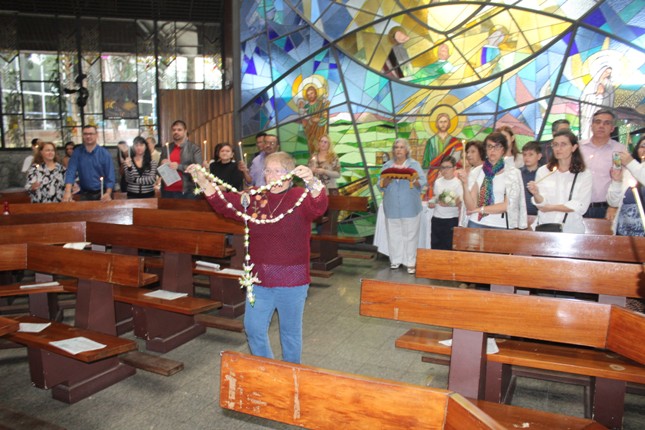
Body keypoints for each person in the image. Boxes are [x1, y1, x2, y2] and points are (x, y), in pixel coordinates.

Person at [189, 152, 328, 364]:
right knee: (253, 329)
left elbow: (319, 206)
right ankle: (267, 370)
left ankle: (291, 373)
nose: (271, 176)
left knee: (290, 333)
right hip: (259, 279)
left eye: (277, 171)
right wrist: (202, 181)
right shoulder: (255, 198)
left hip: (292, 279)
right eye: (267, 170)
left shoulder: (299, 196)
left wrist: (311, 180)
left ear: (290, 174)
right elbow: (225, 203)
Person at [527, 131, 592, 234]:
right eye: (555, 145)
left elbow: (580, 206)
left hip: (571, 229)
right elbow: (541, 204)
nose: (558, 148)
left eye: (563, 144)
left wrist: (550, 207)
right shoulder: (543, 171)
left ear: (574, 147)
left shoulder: (584, 174)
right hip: (545, 227)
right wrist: (536, 194)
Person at [459, 132, 527, 229]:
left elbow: (507, 205)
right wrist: (465, 184)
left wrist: (480, 209)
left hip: (499, 225)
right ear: (485, 149)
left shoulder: (512, 173)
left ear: (503, 150)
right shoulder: (477, 171)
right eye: (489, 146)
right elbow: (471, 207)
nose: (493, 150)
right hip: (476, 222)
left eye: (497, 146)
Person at [378, 138, 427, 274]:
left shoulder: (414, 164)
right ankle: (395, 260)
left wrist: (414, 180)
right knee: (394, 235)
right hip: (392, 205)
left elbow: (423, 182)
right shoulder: (387, 165)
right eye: (396, 147)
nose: (398, 150)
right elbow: (380, 185)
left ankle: (410, 262)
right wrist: (387, 180)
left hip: (410, 206)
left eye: (401, 147)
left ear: (406, 150)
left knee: (410, 235)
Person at [579, 109, 626, 218]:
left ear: (612, 128)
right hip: (578, 206)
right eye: (598, 122)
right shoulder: (578, 148)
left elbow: (624, 180)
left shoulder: (620, 150)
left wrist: (614, 206)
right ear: (591, 126)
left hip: (606, 209)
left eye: (606, 123)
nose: (601, 126)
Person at [62, 125, 115, 202]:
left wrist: (108, 193)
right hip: (85, 193)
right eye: (85, 134)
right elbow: (71, 172)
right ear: (82, 136)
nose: (88, 136)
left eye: (91, 134)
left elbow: (110, 176)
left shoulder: (104, 153)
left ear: (96, 135)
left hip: (102, 193)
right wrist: (67, 191)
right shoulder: (77, 153)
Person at [607, 135, 645, 236]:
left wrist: (630, 163)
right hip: (624, 232)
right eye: (642, 146)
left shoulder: (633, 167)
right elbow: (613, 202)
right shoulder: (629, 171)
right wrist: (617, 182)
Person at [422, 113, 462, 197]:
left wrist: (444, 170)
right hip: (432, 173)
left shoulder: (455, 141)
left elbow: (456, 159)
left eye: (445, 121)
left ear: (449, 123)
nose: (443, 124)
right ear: (437, 124)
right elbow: (426, 161)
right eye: (441, 122)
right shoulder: (431, 141)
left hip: (449, 173)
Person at [160, 120, 202, 199]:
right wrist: (162, 163)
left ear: (185, 131)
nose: (176, 132)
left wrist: (178, 166)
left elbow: (198, 169)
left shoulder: (194, 148)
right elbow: (158, 171)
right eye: (174, 130)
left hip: (187, 191)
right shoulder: (166, 148)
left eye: (179, 130)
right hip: (167, 191)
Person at [428, 156, 462, 250]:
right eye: (442, 167)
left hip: (450, 219)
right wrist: (432, 203)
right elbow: (436, 197)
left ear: (454, 168)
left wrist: (449, 203)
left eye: (448, 167)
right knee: (435, 245)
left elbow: (459, 202)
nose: (445, 170)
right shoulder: (438, 182)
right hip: (437, 218)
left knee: (449, 247)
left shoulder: (458, 183)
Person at [580, 64, 614, 140]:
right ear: (601, 71)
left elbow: (610, 96)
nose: (607, 74)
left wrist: (603, 94)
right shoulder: (592, 83)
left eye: (609, 73)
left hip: (602, 107)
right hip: (590, 108)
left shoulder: (608, 83)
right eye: (606, 72)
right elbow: (585, 96)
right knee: (588, 124)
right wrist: (596, 94)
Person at [299, 85, 330, 154]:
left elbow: (325, 116)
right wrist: (309, 121)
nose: (310, 96)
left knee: (320, 145)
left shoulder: (321, 104)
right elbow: (304, 121)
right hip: (309, 131)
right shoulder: (306, 107)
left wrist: (319, 120)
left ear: (315, 93)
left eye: (311, 93)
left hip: (320, 130)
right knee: (311, 146)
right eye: (308, 95)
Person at [520, 141, 543, 216]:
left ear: (539, 156)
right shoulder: (518, 173)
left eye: (530, 154)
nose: (527, 158)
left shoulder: (544, 174)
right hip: (520, 214)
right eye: (524, 155)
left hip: (539, 214)